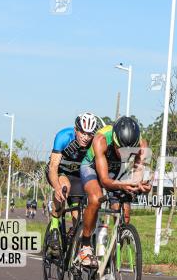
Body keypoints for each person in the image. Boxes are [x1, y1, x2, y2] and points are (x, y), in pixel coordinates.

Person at [77, 116, 152, 266]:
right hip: (92, 166)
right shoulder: (101, 140)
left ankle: (109, 264)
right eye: (120, 149)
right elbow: (104, 180)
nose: (125, 153)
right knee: (96, 198)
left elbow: (138, 175)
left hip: (116, 169)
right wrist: (123, 185)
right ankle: (85, 245)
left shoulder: (142, 145)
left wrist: (141, 185)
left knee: (125, 213)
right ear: (115, 141)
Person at [45, 112, 101, 257]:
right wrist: (57, 188)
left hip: (77, 175)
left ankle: (74, 240)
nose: (85, 137)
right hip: (60, 171)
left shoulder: (94, 143)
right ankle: (55, 229)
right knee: (64, 188)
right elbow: (53, 167)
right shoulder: (64, 136)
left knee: (79, 218)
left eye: (89, 134)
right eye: (82, 132)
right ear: (76, 129)